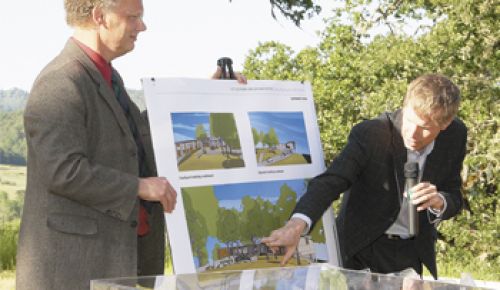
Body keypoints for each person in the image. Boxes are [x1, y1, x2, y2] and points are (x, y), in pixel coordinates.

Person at [16, 0, 177, 289]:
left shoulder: (106, 76)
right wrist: (139, 186)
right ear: (100, 16)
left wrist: (200, 97)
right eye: (134, 17)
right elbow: (64, 170)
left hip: (106, 269)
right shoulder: (60, 81)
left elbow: (135, 139)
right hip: (72, 273)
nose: (142, 26)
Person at [262, 74, 466, 279]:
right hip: (362, 248)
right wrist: (296, 226)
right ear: (405, 106)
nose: (412, 133)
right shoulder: (370, 134)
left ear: (445, 124)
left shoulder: (455, 136)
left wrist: (439, 201)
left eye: (424, 128)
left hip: (412, 252)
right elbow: (332, 181)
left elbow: (454, 194)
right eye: (410, 120)